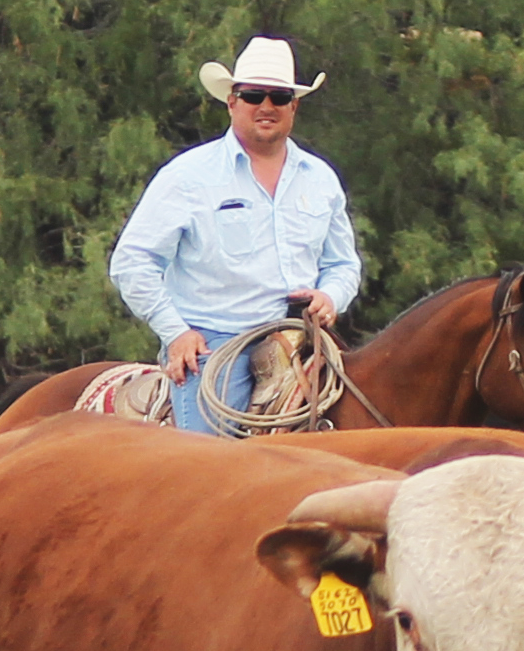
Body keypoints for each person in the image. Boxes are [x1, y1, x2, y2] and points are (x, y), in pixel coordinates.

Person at [104, 34, 359, 434]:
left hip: (302, 337)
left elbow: (342, 263)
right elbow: (133, 262)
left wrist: (331, 296)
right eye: (254, 95)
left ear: (294, 105)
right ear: (232, 101)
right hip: (216, 341)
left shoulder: (320, 178)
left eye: (278, 96)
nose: (266, 106)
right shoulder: (188, 176)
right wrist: (176, 333)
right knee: (210, 463)